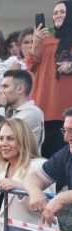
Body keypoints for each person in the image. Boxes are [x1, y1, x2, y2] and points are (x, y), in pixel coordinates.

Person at [28, 1, 72, 158]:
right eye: (55, 13)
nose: (58, 15)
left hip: (67, 110)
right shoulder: (47, 42)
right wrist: (36, 42)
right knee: (46, 157)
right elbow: (31, 66)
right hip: (45, 108)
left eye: (62, 12)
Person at [0, 69, 45, 152]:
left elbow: (1, 134)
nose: (1, 91)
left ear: (20, 89)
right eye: (1, 87)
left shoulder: (33, 112)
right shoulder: (7, 111)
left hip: (26, 164)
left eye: (5, 86)